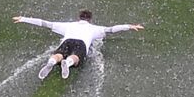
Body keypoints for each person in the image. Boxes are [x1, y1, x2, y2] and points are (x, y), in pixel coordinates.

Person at [14, 10, 143, 79]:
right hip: (81, 43)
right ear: (90, 20)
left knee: (59, 53)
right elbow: (111, 29)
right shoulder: (94, 29)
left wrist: (23, 19)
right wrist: (130, 26)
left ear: (78, 18)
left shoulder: (67, 25)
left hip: (68, 40)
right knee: (76, 57)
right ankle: (68, 63)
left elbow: (45, 23)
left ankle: (52, 62)